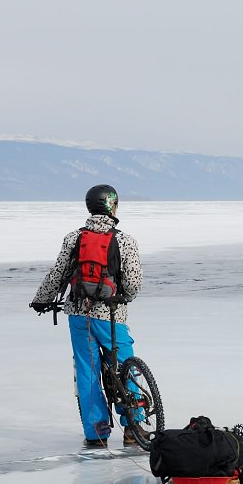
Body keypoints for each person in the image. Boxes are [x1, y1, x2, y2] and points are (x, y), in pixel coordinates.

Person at [29, 184, 145, 449]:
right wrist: (122, 297)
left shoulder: (73, 238)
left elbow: (57, 274)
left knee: (87, 369)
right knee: (126, 365)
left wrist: (41, 299)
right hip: (112, 316)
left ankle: (97, 432)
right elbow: (134, 284)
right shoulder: (125, 240)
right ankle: (134, 427)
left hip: (80, 316)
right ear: (113, 206)